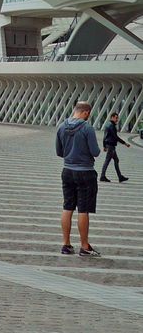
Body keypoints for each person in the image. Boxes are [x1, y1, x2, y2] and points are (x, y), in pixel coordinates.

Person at [56, 101, 101, 256]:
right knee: (83, 210)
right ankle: (84, 246)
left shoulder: (61, 126)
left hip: (67, 170)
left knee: (67, 207)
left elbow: (59, 151)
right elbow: (95, 152)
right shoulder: (87, 128)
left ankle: (66, 245)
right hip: (85, 172)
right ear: (86, 112)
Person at [101, 112, 130, 183]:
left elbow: (104, 136)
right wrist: (125, 143)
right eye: (116, 118)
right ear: (112, 117)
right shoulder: (111, 126)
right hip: (111, 146)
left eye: (117, 118)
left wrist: (104, 146)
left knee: (116, 160)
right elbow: (115, 137)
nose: (117, 119)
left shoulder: (108, 125)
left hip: (109, 145)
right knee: (107, 161)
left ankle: (120, 177)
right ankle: (102, 176)